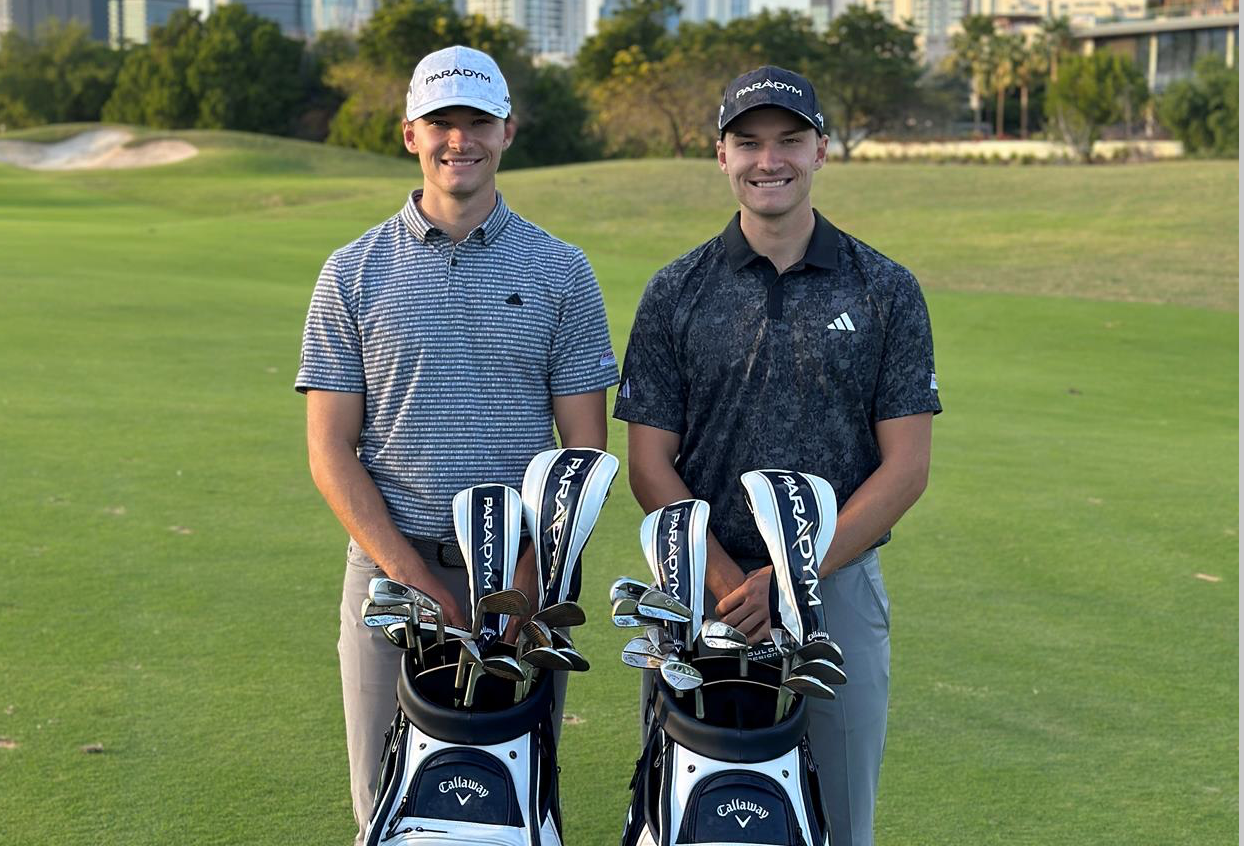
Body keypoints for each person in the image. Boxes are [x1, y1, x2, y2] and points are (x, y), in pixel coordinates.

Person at [295, 45, 618, 845]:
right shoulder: (351, 273)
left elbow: (583, 449)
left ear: (508, 131)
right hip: (390, 576)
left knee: (513, 806)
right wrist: (411, 576)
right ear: (410, 133)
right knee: (386, 806)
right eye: (442, 122)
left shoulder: (563, 272)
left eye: (477, 122)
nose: (459, 140)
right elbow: (331, 451)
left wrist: (532, 576)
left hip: (523, 582)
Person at [613, 65, 941, 846]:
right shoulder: (674, 291)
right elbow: (650, 464)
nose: (770, 160)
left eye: (789, 140)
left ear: (822, 150)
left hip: (837, 594)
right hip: (701, 594)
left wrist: (790, 578)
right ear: (720, 156)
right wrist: (736, 587)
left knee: (840, 821)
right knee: (687, 817)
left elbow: (906, 467)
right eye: (749, 142)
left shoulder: (886, 289)